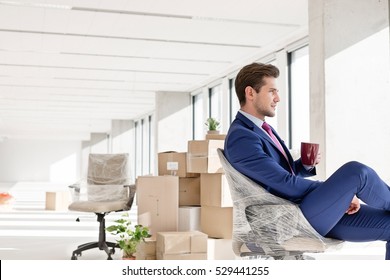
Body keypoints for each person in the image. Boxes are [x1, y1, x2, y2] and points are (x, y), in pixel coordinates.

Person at [224, 62, 390, 259]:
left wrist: (303, 165)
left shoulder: (260, 130)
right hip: (291, 218)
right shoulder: (242, 137)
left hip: (304, 210)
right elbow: (284, 184)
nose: (278, 98)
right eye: (272, 91)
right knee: (357, 172)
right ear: (250, 93)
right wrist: (340, 193)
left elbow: (278, 176)